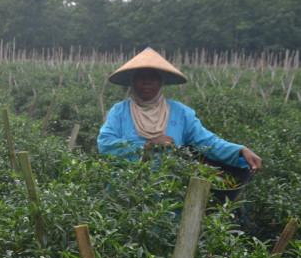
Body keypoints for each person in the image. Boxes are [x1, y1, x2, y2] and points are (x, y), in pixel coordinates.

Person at [97, 47, 262, 171]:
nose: (146, 82)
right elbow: (105, 143)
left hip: (169, 190)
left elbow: (207, 142)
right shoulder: (119, 111)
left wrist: (239, 150)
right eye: (140, 78)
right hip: (124, 189)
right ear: (132, 82)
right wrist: (147, 146)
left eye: (153, 78)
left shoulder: (181, 113)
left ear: (161, 82)